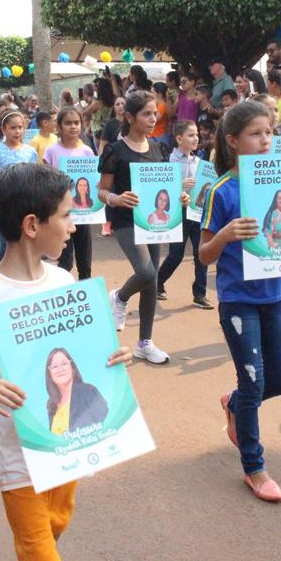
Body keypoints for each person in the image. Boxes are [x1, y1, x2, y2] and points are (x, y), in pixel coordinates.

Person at [0, 162, 131, 561]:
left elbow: (82, 354)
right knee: (38, 555)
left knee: (57, 521)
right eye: (67, 215)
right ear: (33, 224)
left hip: (64, 444)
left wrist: (112, 358)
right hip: (17, 457)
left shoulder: (62, 279)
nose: (74, 225)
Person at [199, 100, 281, 502]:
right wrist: (225, 235)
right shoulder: (222, 191)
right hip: (237, 300)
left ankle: (234, 403)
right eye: (255, 133)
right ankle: (254, 467)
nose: (266, 139)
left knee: (280, 381)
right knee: (253, 383)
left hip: (276, 295)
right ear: (233, 141)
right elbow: (203, 255)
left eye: (269, 131)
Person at [98, 91, 186, 364]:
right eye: (146, 114)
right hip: (125, 220)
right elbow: (102, 191)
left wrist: (179, 195)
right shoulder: (115, 150)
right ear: (129, 117)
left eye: (155, 113)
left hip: (154, 222)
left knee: (152, 281)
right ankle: (120, 297)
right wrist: (117, 198)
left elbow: (165, 185)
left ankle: (145, 343)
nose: (153, 118)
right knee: (146, 271)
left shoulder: (159, 147)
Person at [156, 120, 212, 309]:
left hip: (197, 212)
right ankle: (157, 282)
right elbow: (162, 190)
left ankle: (200, 294)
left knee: (201, 253)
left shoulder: (199, 162)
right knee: (176, 254)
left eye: (196, 134)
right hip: (179, 212)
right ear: (179, 138)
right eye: (191, 135)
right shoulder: (170, 161)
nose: (196, 138)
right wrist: (180, 186)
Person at [45, 107, 94, 280]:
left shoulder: (87, 151)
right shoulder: (51, 151)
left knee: (85, 261)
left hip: (83, 213)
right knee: (65, 262)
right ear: (58, 127)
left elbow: (92, 181)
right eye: (67, 123)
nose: (73, 127)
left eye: (76, 123)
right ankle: (64, 297)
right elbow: (46, 178)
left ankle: (86, 298)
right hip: (61, 213)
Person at [0, 108, 39, 265]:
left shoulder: (30, 151)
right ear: (3, 129)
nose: (17, 131)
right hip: (5, 204)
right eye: (13, 127)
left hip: (26, 204)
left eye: (20, 127)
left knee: (26, 241)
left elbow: (34, 176)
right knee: (7, 244)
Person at [45, 347, 108, 434]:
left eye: (64, 364)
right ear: (49, 373)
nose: (60, 369)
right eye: (55, 366)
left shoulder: (89, 392)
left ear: (72, 368)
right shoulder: (51, 404)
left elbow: (108, 423)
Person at [150, 81, 172, 150]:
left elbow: (154, 120)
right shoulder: (156, 105)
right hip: (154, 135)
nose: (151, 94)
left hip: (159, 136)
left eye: (153, 92)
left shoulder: (163, 105)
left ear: (159, 94)